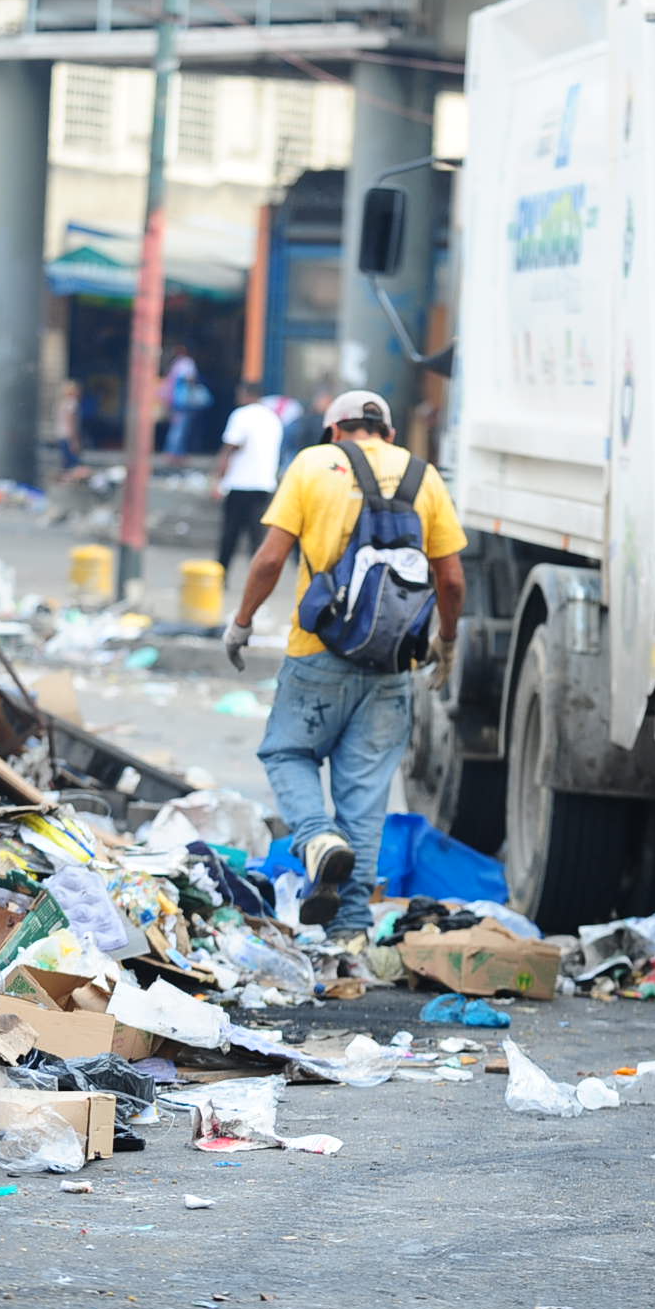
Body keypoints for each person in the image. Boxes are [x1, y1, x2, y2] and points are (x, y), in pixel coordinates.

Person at [223, 391, 468, 943]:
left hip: (317, 652)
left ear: (334, 430)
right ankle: (351, 931)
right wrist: (445, 643)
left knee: (286, 752)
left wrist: (241, 623)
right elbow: (450, 580)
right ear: (389, 434)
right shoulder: (423, 476)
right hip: (392, 664)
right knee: (365, 796)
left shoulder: (313, 465)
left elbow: (268, 557)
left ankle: (315, 838)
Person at [214, 381, 284, 580]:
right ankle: (258, 579)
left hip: (239, 484)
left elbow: (230, 447)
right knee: (257, 538)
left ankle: (221, 576)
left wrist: (218, 480)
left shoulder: (241, 415)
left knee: (230, 535)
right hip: (264, 484)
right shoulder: (273, 418)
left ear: (245, 394)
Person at [162, 345, 204, 458]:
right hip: (183, 401)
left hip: (174, 399)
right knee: (180, 427)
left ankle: (174, 451)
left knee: (176, 426)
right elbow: (190, 378)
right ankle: (175, 453)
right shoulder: (187, 363)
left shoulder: (175, 364)